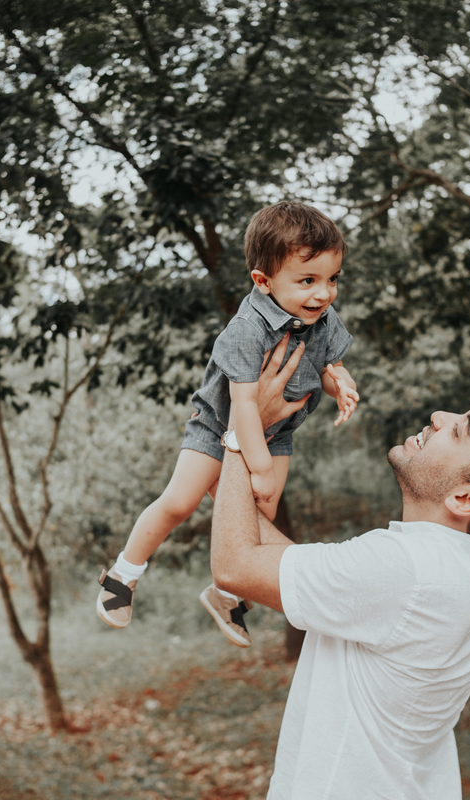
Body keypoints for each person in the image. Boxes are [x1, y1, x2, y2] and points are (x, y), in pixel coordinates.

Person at [210, 336, 470, 799]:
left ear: (466, 498)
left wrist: (242, 426)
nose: (439, 417)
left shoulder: (405, 570)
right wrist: (232, 498)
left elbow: (234, 568)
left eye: (459, 430)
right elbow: (300, 576)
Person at [96, 202, 361, 647]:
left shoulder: (322, 318)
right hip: (216, 426)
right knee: (180, 502)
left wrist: (343, 384)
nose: (324, 293)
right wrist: (258, 466)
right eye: (308, 281)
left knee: (257, 520)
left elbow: (328, 366)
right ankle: (123, 574)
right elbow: (243, 403)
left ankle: (225, 593)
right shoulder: (246, 329)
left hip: (276, 433)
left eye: (332, 279)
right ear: (263, 281)